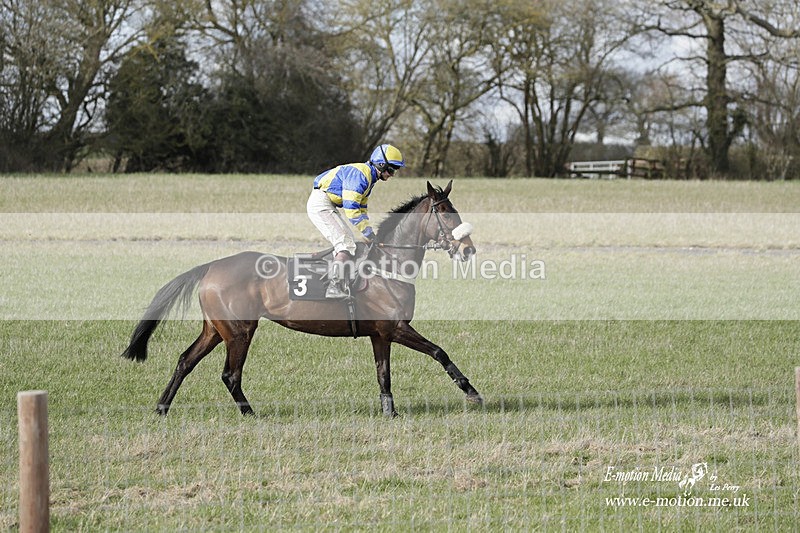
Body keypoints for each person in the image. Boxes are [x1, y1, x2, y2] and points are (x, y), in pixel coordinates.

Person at [307, 144, 405, 298]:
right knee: (345, 244)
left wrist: (370, 232)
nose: (392, 174)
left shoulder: (369, 178)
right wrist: (368, 233)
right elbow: (352, 209)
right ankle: (334, 287)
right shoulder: (361, 175)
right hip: (321, 204)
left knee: (349, 242)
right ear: (381, 165)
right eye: (392, 169)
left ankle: (340, 278)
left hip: (327, 203)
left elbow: (362, 208)